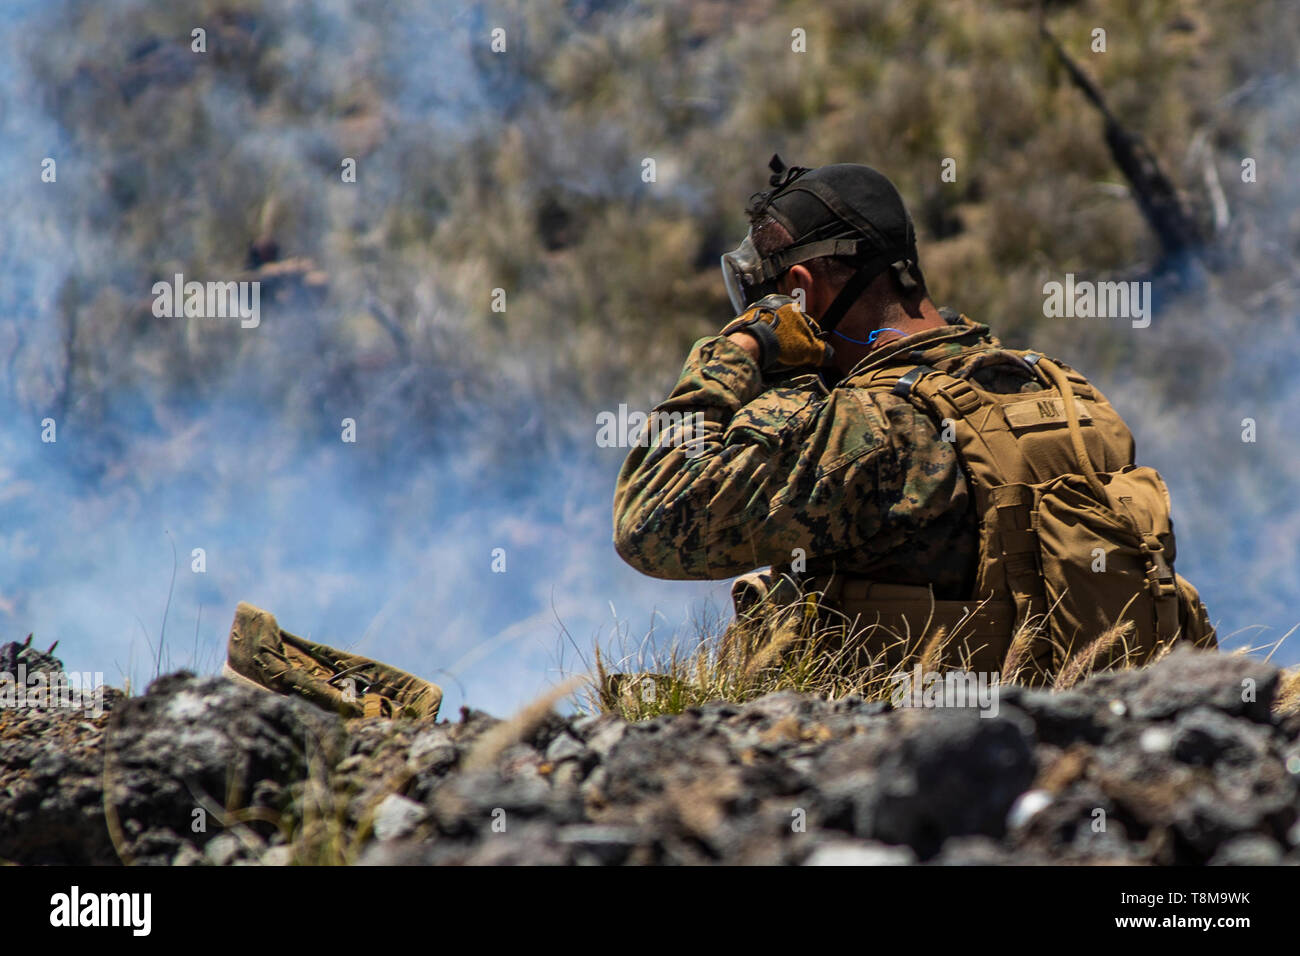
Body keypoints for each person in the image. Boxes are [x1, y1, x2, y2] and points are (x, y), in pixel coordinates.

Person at [612, 157, 1215, 682]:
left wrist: (739, 354)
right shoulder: (1067, 391)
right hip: (1084, 754)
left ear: (799, 291)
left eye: (762, 300)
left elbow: (651, 523)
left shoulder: (867, 427)